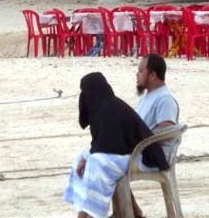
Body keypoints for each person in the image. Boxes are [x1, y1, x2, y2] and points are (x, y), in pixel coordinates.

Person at [64, 72, 169, 218]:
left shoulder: (109, 108)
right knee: (80, 158)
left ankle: (87, 214)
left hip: (143, 156)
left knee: (95, 163)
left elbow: (109, 146)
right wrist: (86, 157)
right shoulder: (103, 107)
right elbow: (104, 143)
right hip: (128, 152)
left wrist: (89, 158)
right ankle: (132, 211)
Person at [131, 53, 180, 217]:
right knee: (102, 158)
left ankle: (129, 212)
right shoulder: (149, 96)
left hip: (153, 157)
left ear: (152, 75)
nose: (137, 75)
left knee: (106, 164)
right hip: (142, 152)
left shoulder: (165, 99)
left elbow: (166, 132)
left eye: (140, 71)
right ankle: (131, 212)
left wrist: (137, 140)